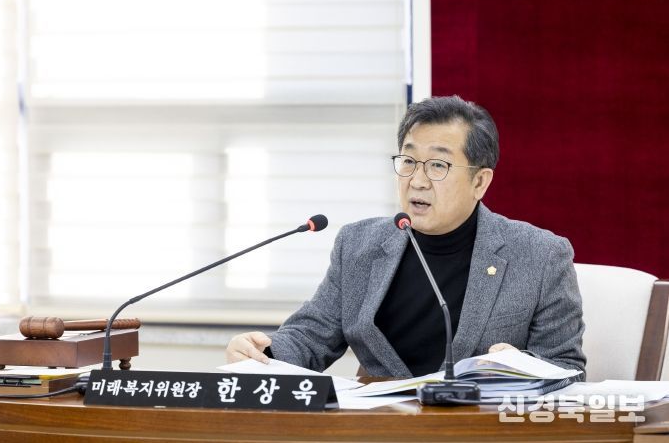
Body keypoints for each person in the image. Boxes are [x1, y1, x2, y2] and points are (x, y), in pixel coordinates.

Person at [226, 95, 586, 378]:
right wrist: (263, 352)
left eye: (438, 165)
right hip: (381, 429)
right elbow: (311, 335)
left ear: (479, 181)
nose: (417, 180)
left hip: (478, 432)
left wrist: (521, 369)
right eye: (409, 161)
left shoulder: (540, 256)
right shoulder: (358, 245)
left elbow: (566, 368)